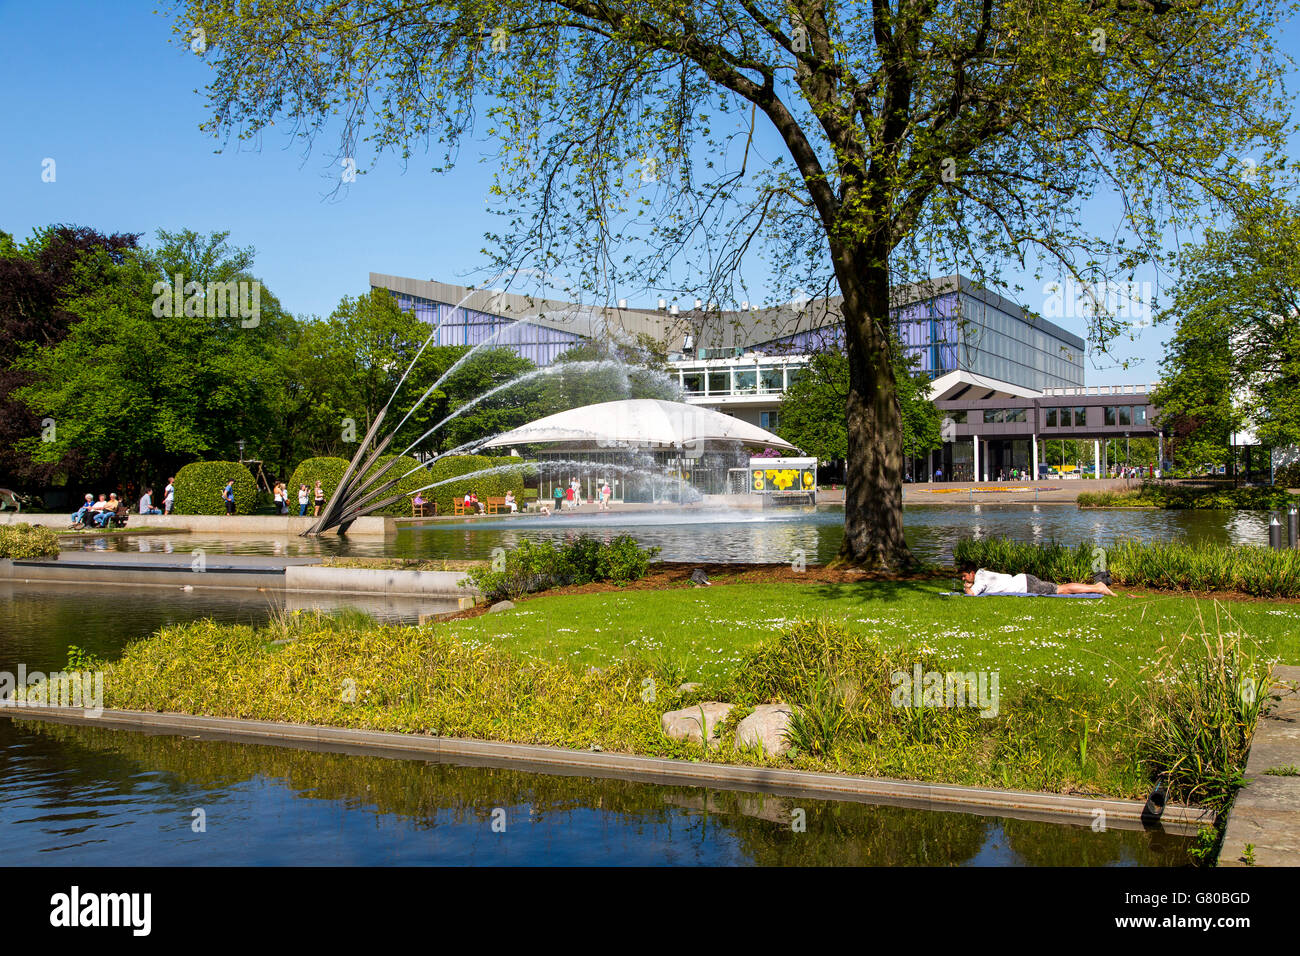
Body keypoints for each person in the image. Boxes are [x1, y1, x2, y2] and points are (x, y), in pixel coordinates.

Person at [961, 566, 1116, 597]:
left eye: (964, 576)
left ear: (972, 573)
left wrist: (967, 587)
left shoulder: (979, 579)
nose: (963, 579)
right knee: (1060, 588)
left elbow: (972, 594)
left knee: (1062, 589)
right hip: (1024, 579)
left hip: (1026, 585)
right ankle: (1096, 587)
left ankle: (1097, 587)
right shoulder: (982, 572)